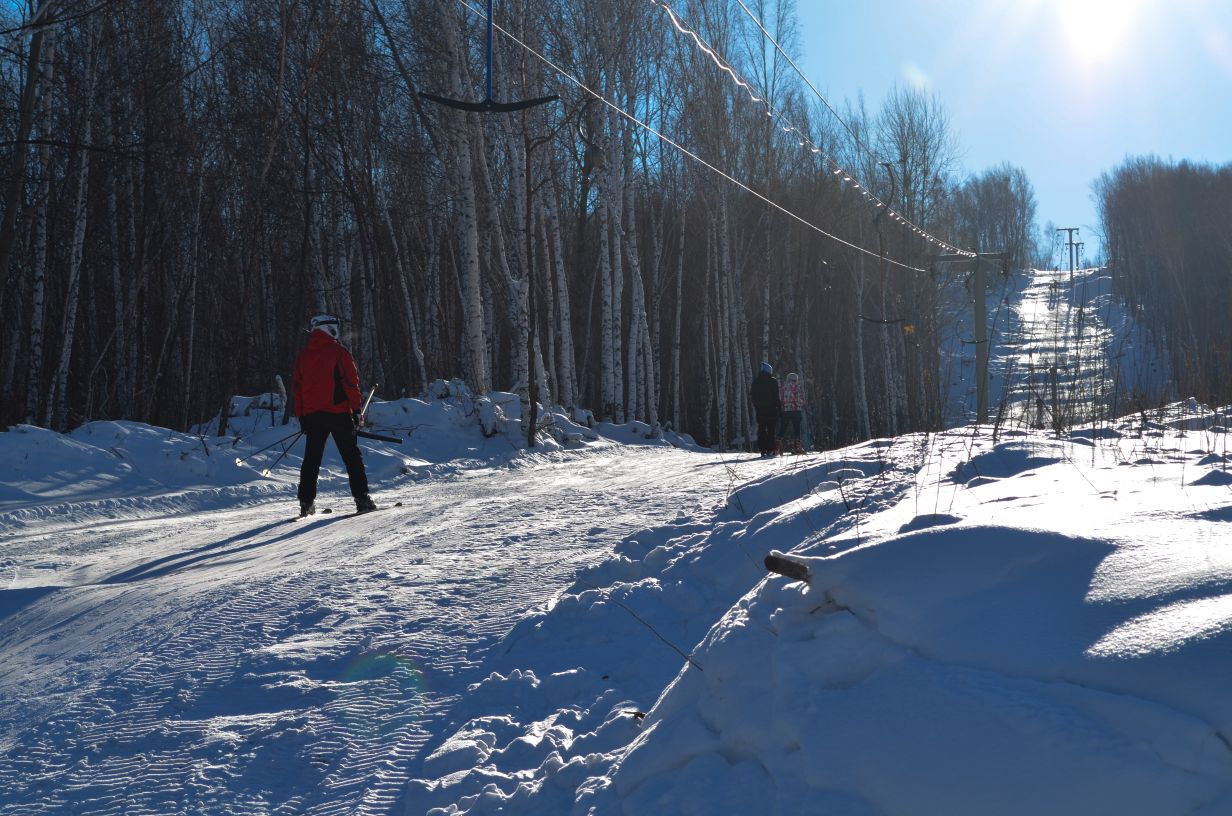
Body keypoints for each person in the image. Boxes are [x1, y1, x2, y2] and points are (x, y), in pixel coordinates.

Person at [292, 314, 377, 516]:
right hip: (338, 413)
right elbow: (350, 382)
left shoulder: (303, 356)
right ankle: (362, 499)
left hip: (313, 416)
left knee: (311, 459)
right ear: (330, 329)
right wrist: (356, 411)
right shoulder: (338, 352)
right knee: (351, 457)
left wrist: (302, 416)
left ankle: (306, 503)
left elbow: (297, 389)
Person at [750, 361, 781, 457]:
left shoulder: (756, 382)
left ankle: (762, 449)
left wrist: (756, 405)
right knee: (771, 430)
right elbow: (776, 396)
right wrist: (779, 409)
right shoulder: (773, 381)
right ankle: (770, 449)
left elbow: (752, 395)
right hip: (772, 410)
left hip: (760, 410)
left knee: (762, 429)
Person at [779, 372, 805, 454]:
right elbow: (801, 399)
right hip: (796, 410)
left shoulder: (783, 387)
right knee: (797, 429)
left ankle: (776, 446)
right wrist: (800, 404)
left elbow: (781, 399)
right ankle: (797, 447)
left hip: (786, 411)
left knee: (783, 428)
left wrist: (784, 406)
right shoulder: (798, 387)